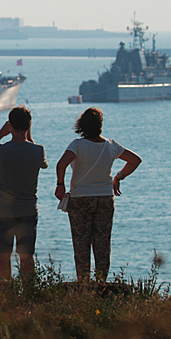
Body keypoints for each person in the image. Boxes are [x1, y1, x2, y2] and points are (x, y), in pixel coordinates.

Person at [54, 107, 142, 281]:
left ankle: (84, 282)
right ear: (100, 125)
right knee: (102, 243)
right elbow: (135, 160)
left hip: (80, 199)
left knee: (81, 244)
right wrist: (118, 177)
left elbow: (61, 164)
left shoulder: (77, 145)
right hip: (105, 198)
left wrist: (60, 185)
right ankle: (101, 281)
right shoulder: (111, 146)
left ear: (82, 125)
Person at [0, 106, 48, 279]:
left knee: (3, 256)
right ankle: (29, 293)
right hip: (28, 210)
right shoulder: (38, 151)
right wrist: (28, 134)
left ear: (10, 125)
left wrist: (1, 134)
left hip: (3, 211)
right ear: (28, 125)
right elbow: (38, 157)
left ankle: (5, 294)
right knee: (27, 257)